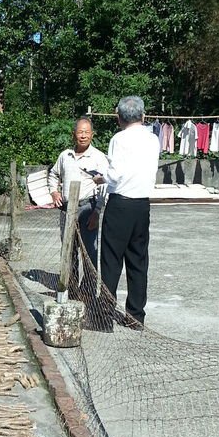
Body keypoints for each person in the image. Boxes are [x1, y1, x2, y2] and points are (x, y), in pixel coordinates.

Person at [97, 95, 159, 326]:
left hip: (121, 203)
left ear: (119, 116)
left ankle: (104, 315)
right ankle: (135, 316)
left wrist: (100, 177)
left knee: (111, 260)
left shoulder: (119, 139)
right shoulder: (153, 139)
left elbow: (115, 174)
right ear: (143, 115)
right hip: (142, 204)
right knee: (138, 261)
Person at [48, 116, 108, 293]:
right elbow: (53, 175)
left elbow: (105, 187)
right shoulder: (65, 155)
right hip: (67, 209)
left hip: (88, 208)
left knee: (89, 251)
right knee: (68, 248)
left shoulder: (98, 157)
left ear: (92, 134)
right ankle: (71, 286)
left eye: (87, 132)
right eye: (80, 132)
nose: (83, 136)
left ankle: (88, 290)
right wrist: (54, 192)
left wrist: (97, 211)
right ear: (74, 134)